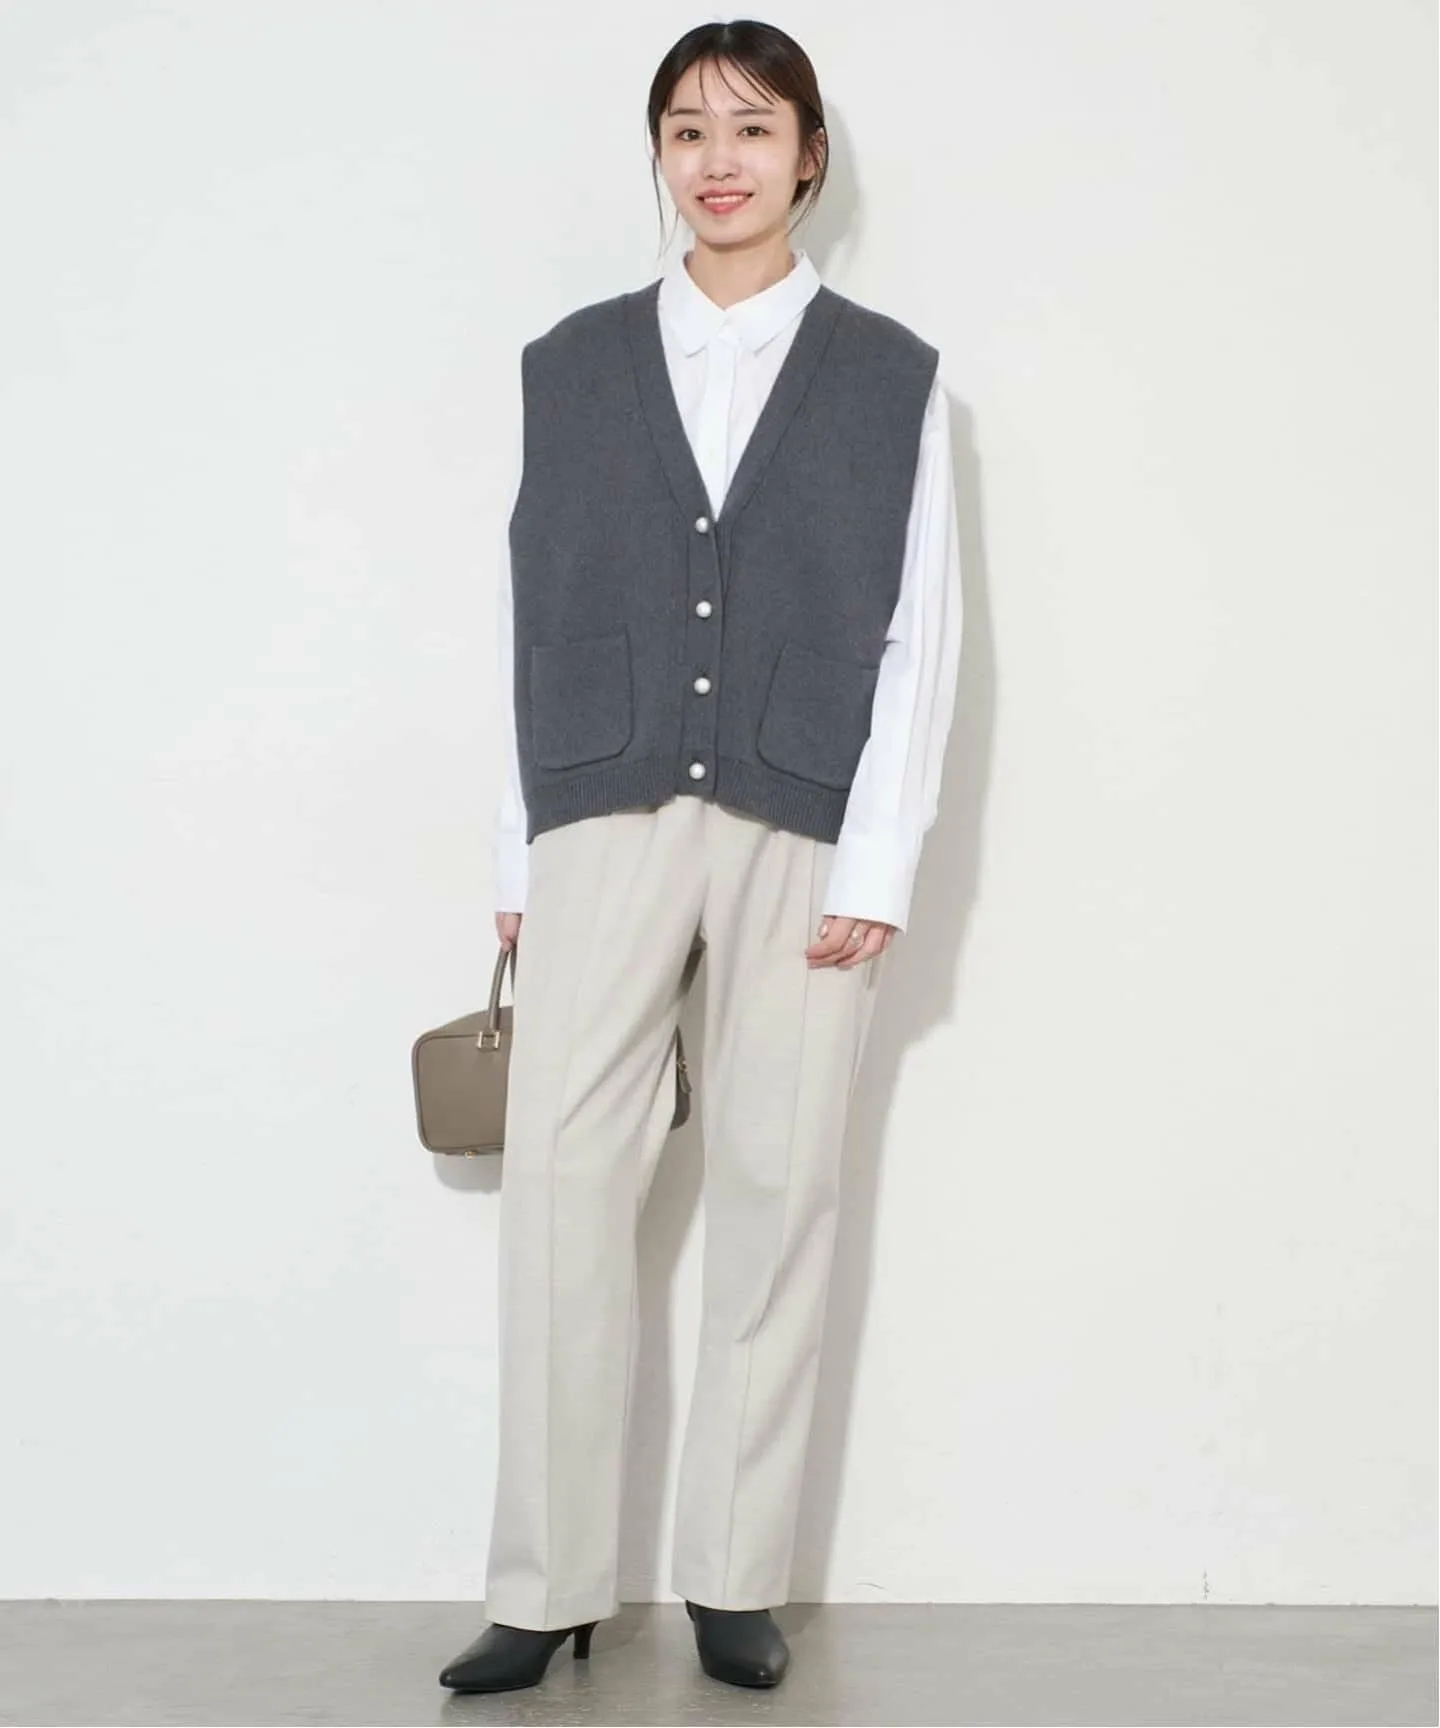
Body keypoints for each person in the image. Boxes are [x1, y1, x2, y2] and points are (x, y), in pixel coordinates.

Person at [438, 15, 963, 1697]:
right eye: (687, 129)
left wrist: (877, 861)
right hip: (600, 808)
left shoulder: (892, 377)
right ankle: (546, 1588)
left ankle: (734, 1575)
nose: (718, 160)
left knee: (777, 1181)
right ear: (658, 156)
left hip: (805, 813)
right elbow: (528, 615)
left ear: (809, 156)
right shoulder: (570, 364)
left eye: (752, 128)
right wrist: (519, 843)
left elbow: (923, 636)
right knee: (561, 1187)